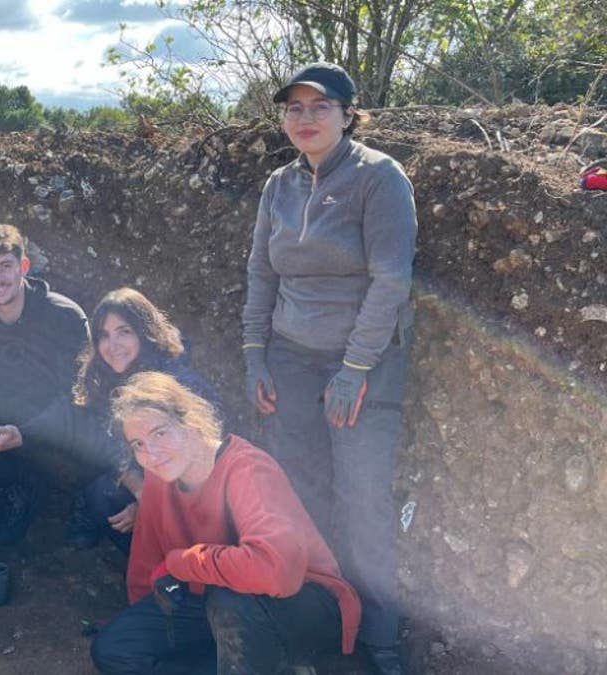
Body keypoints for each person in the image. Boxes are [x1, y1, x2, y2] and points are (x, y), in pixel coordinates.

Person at [242, 62, 417, 675]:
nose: (306, 117)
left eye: (320, 106)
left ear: (348, 113)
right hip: (291, 357)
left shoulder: (379, 178)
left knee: (363, 497)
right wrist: (253, 354)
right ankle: (316, 622)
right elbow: (263, 274)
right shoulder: (279, 186)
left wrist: (355, 367)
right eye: (294, 107)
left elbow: (391, 277)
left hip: (363, 365)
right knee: (300, 493)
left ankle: (381, 641)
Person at [90, 372, 361, 674]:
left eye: (160, 433)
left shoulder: (247, 468)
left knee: (229, 598)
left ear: (190, 424)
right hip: (214, 607)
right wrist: (146, 623)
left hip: (301, 605)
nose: (150, 453)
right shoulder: (159, 473)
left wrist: (183, 563)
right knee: (114, 649)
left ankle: (288, 664)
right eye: (138, 444)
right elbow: (147, 562)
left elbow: (276, 573)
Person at [37, 287, 227, 553]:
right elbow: (106, 441)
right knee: (100, 491)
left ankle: (183, 566)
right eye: (104, 335)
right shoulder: (104, 378)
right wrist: (139, 490)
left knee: (110, 497)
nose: (112, 346)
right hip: (144, 473)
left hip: (191, 490)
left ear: (144, 333)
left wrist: (152, 502)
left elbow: (204, 462)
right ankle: (148, 566)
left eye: (124, 332)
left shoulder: (178, 385)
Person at [0, 223, 91, 546]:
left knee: (91, 421)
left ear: (23, 266)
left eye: (5, 266)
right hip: (4, 419)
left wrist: (29, 432)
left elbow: (82, 393)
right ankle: (19, 489)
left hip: (57, 419)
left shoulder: (65, 316)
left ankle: (87, 497)